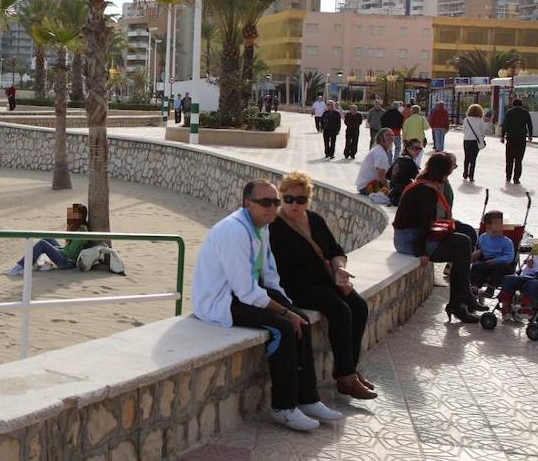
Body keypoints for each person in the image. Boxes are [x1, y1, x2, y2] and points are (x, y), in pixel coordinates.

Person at [192, 180, 343, 431]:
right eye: (265, 203)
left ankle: (307, 398)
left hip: (245, 294)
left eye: (275, 202)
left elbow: (270, 274)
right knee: (282, 328)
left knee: (301, 321)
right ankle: (283, 407)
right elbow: (245, 291)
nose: (273, 207)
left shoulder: (262, 227)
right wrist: (284, 313)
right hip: (222, 300)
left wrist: (289, 306)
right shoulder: (234, 231)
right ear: (247, 203)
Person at [269, 172, 377, 400]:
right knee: (340, 310)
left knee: (358, 306)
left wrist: (339, 270)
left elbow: (335, 251)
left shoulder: (314, 220)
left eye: (300, 199)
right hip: (295, 286)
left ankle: (349, 368)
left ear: (308, 199)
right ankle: (346, 377)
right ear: (281, 197)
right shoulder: (275, 226)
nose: (294, 205)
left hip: (324, 280)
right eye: (288, 199)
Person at [392, 152, 483, 323]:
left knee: (464, 240)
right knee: (460, 249)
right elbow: (424, 224)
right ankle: (460, 301)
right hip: (409, 240)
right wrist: (421, 253)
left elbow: (432, 223)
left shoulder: (428, 185)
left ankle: (461, 298)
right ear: (444, 172)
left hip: (419, 235)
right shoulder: (426, 190)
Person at [7, 204, 90, 275]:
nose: (69, 216)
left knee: (42, 244)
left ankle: (20, 267)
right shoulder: (77, 227)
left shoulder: (81, 231)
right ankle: (28, 264)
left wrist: (55, 249)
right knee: (47, 238)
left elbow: (71, 254)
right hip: (65, 255)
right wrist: (57, 249)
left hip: (67, 262)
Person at [470, 210, 515, 295]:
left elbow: (509, 257)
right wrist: (475, 254)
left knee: (500, 268)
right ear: (489, 226)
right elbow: (479, 250)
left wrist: (495, 260)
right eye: (498, 223)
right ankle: (475, 287)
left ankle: (491, 288)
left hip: (502, 263)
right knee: (477, 266)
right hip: (486, 261)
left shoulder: (507, 242)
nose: (502, 225)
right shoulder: (483, 237)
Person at [500, 98, 533, 185]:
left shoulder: (509, 112)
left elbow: (505, 124)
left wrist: (502, 136)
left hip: (510, 139)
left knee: (509, 159)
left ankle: (508, 177)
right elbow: (529, 124)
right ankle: (516, 179)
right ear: (521, 104)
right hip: (521, 139)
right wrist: (530, 135)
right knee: (519, 160)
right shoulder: (526, 113)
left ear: (513, 104)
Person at [356, 129, 395, 196]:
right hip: (367, 187)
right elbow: (381, 177)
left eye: (392, 135)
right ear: (381, 138)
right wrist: (390, 191)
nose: (391, 137)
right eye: (387, 135)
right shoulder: (380, 153)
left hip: (365, 185)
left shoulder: (379, 149)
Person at [386, 138, 425, 206]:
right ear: (408, 148)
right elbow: (419, 179)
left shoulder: (399, 159)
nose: (418, 151)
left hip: (392, 194)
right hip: (400, 196)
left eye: (420, 149)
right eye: (416, 148)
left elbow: (388, 176)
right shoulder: (409, 162)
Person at [460, 103, 486, 182]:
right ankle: (471, 176)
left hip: (467, 140)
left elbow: (464, 130)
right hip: (475, 141)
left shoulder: (466, 119)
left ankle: (465, 173)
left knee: (466, 158)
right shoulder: (480, 120)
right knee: (473, 159)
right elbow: (483, 131)